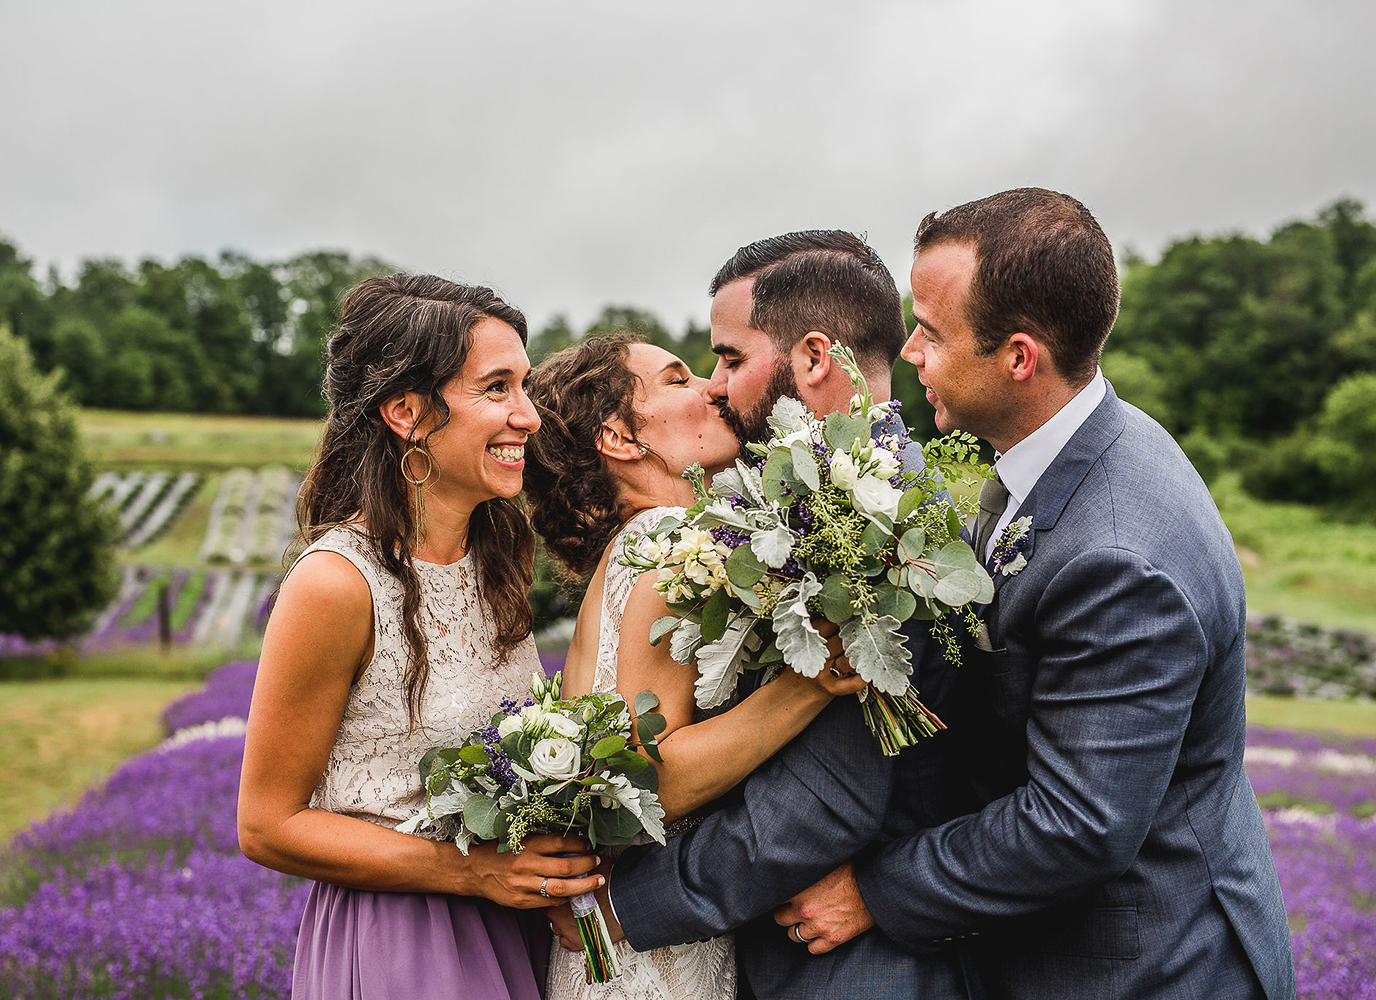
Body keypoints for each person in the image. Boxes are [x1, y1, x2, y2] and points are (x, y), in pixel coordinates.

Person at [776, 189, 1297, 999]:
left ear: (1020, 357)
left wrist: (877, 889)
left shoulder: (1121, 561)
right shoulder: (1070, 446)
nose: (908, 351)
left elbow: (1078, 824)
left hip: (1150, 964)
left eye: (932, 332)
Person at [583, 233, 977, 999]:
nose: (717, 387)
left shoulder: (887, 525)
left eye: (730, 358)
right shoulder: (800, 507)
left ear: (813, 359)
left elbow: (823, 804)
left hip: (853, 975)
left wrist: (624, 906)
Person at [236, 274, 604, 1000]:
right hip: (400, 940)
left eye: (524, 386)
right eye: (496, 388)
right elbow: (266, 825)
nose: (529, 416)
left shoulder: (498, 557)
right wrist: (471, 872)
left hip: (513, 923)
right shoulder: (338, 584)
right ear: (406, 411)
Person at [522, 332, 868, 999]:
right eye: (678, 379)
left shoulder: (644, 546)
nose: (712, 387)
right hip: (652, 959)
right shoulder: (666, 541)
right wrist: (809, 682)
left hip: (628, 939)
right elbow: (645, 784)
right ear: (619, 439)